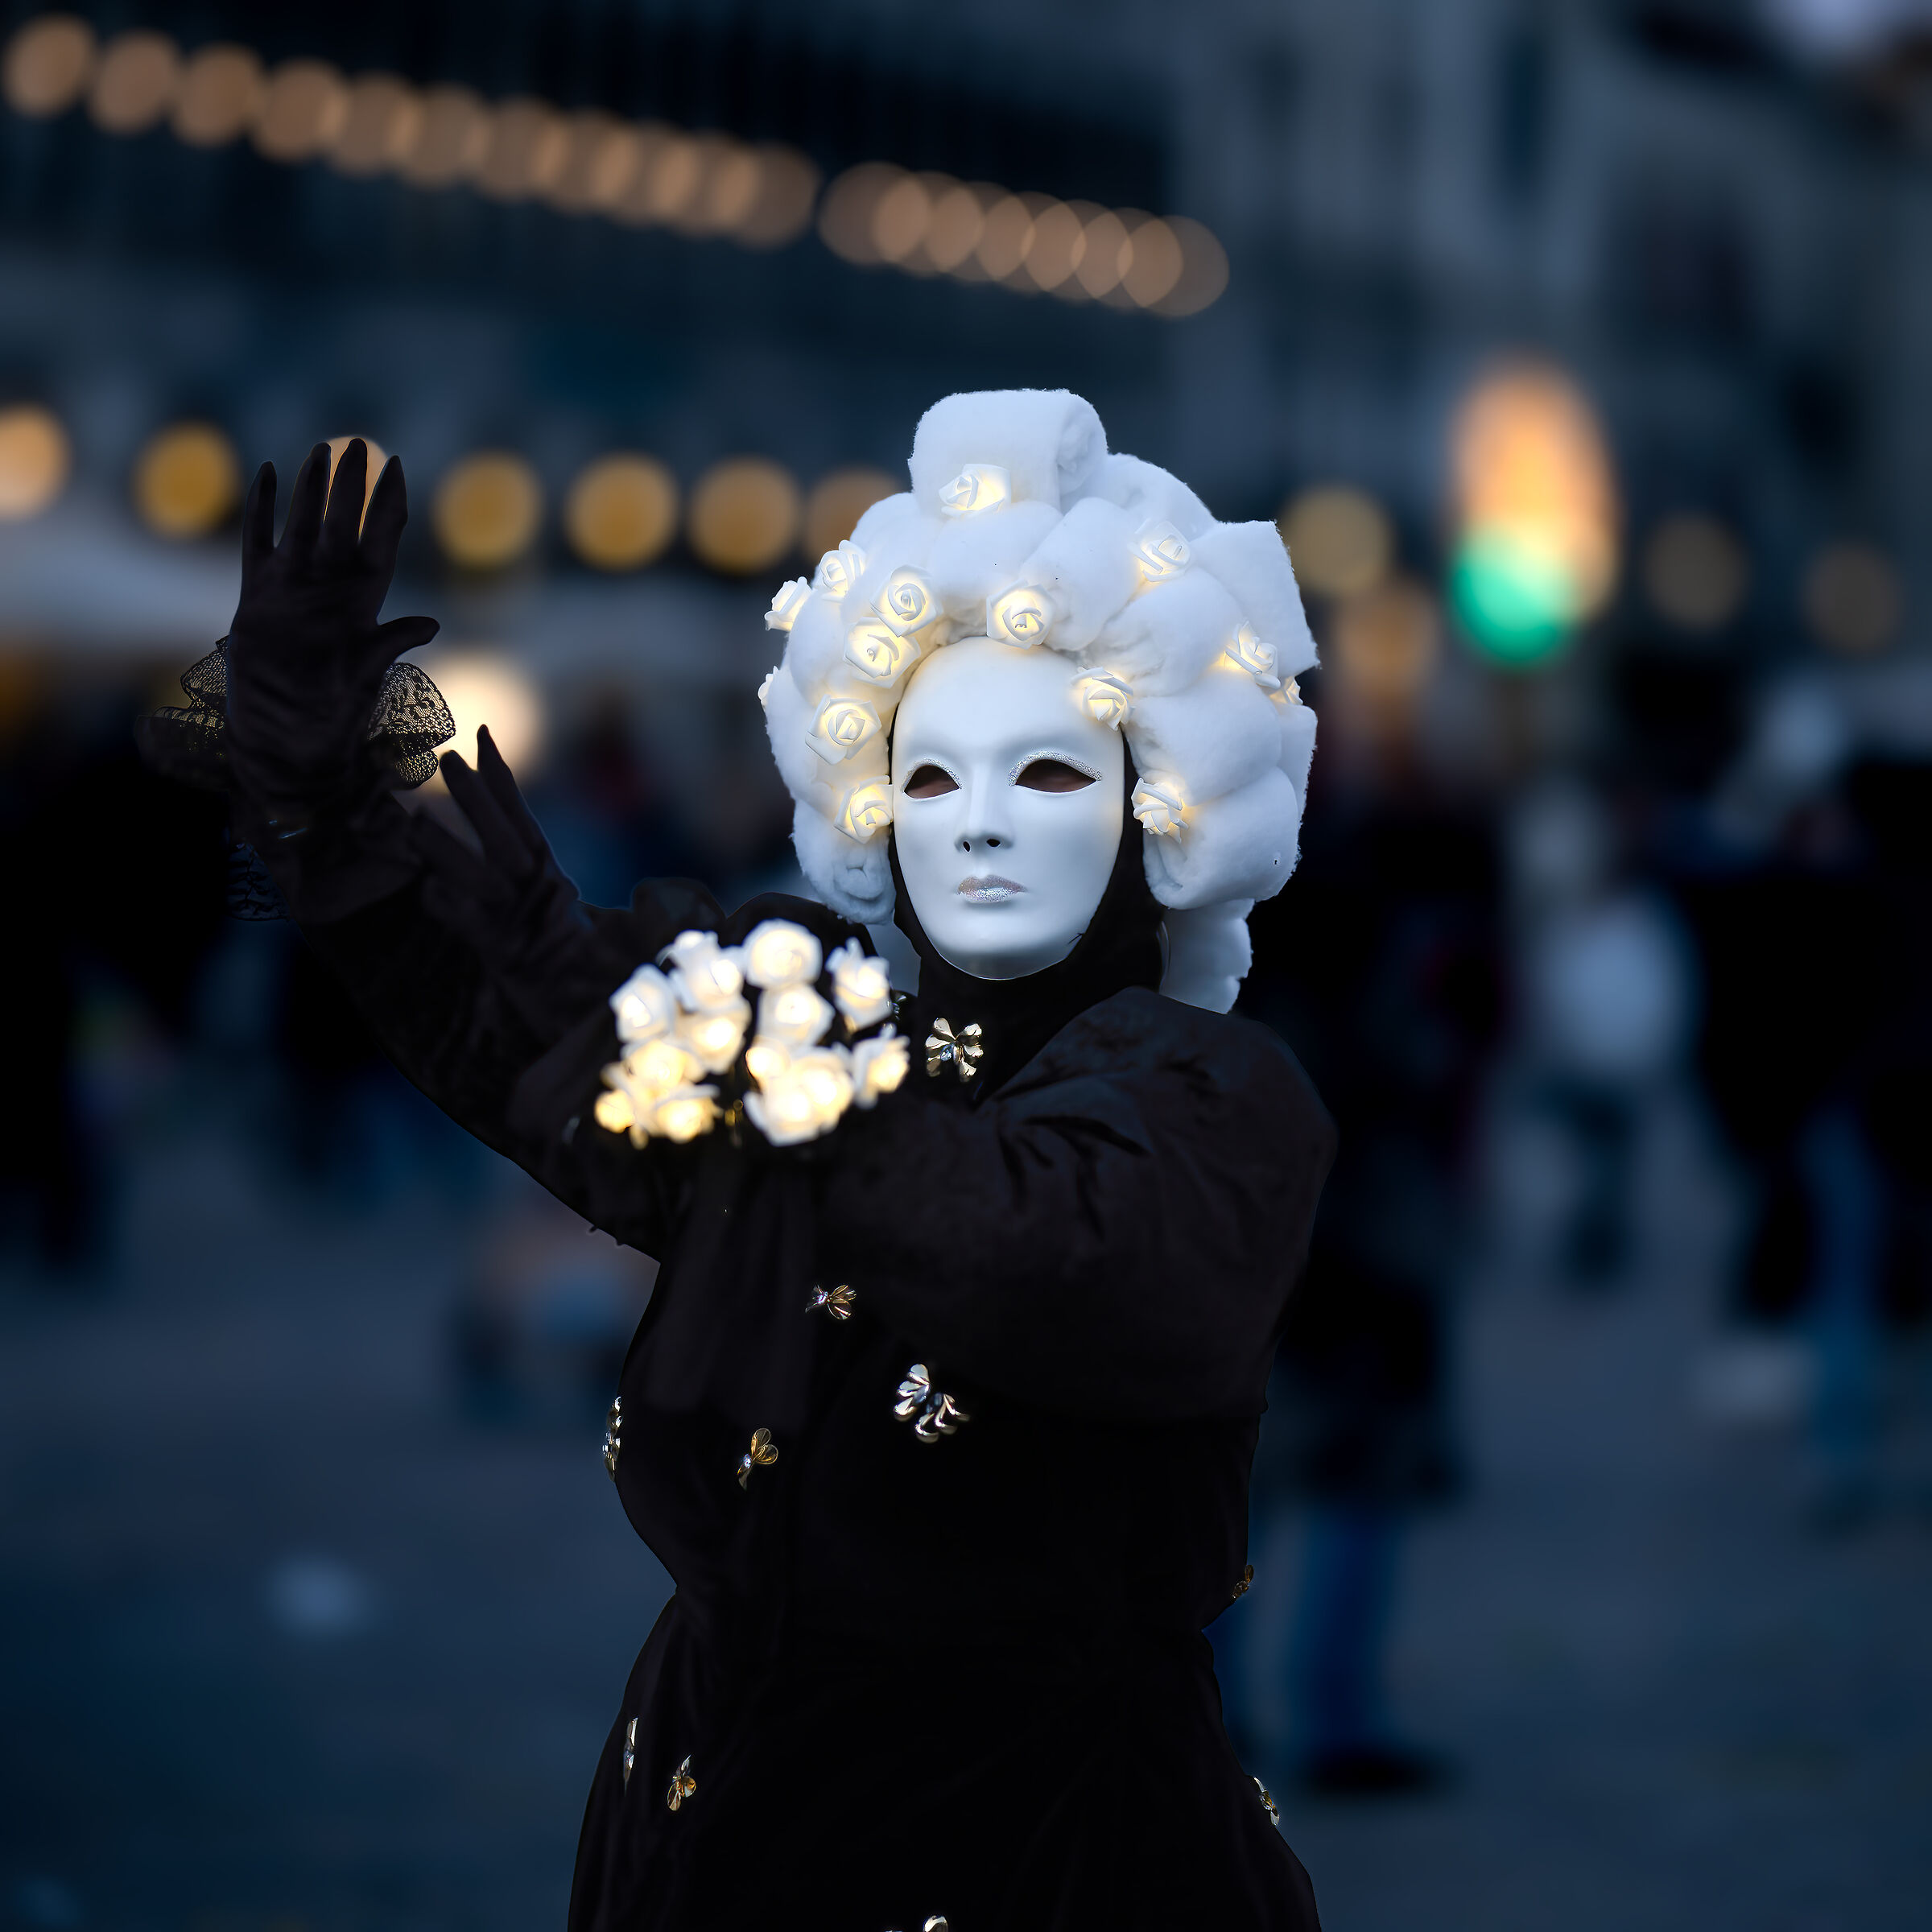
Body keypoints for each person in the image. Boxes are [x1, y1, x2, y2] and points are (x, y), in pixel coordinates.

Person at [144, 390, 1335, 1930]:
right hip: (707, 1827)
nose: (977, 827)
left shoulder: (1210, 1099)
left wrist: (741, 1070)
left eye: (1047, 774)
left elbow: (1039, 1249)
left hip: (1037, 1858)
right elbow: (516, 1049)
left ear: (1154, 803)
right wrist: (325, 802)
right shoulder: (825, 1035)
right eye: (930, 777)